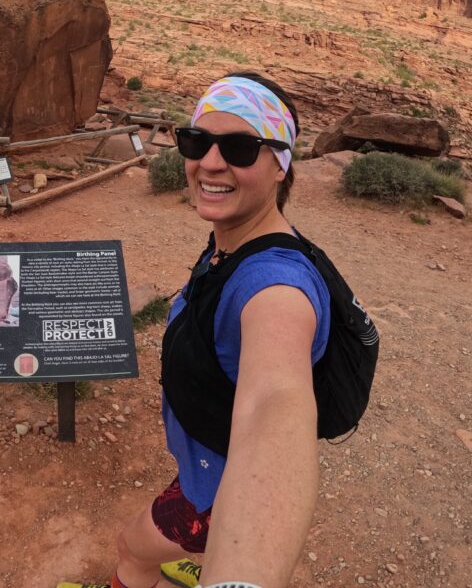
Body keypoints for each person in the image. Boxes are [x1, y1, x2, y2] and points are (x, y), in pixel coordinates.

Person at [115, 72, 331, 588]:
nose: (210, 162)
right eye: (197, 141)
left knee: (131, 548)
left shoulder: (275, 285)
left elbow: (274, 399)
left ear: (280, 165)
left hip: (214, 491)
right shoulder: (236, 239)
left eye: (238, 147)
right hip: (208, 462)